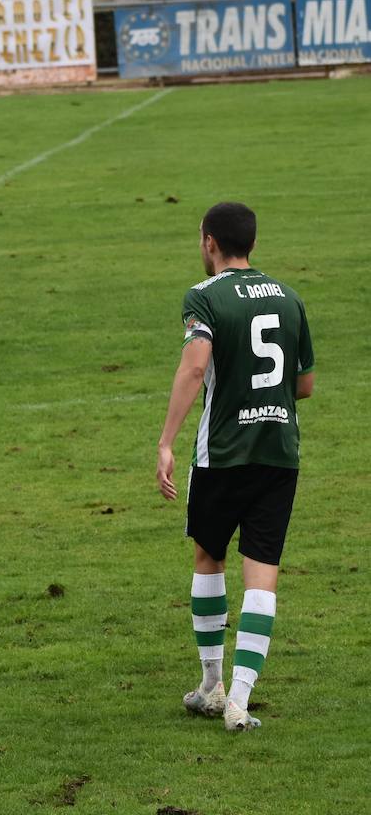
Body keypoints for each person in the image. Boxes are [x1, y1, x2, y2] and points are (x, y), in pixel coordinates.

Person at [156, 202, 315, 732]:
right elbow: (305, 384)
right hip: (279, 452)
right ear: (252, 242)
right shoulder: (289, 297)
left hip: (221, 454)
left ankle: (211, 684)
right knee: (262, 571)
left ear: (209, 242)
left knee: (209, 555)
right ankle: (240, 701)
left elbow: (195, 366)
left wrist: (166, 441)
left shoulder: (203, 296)